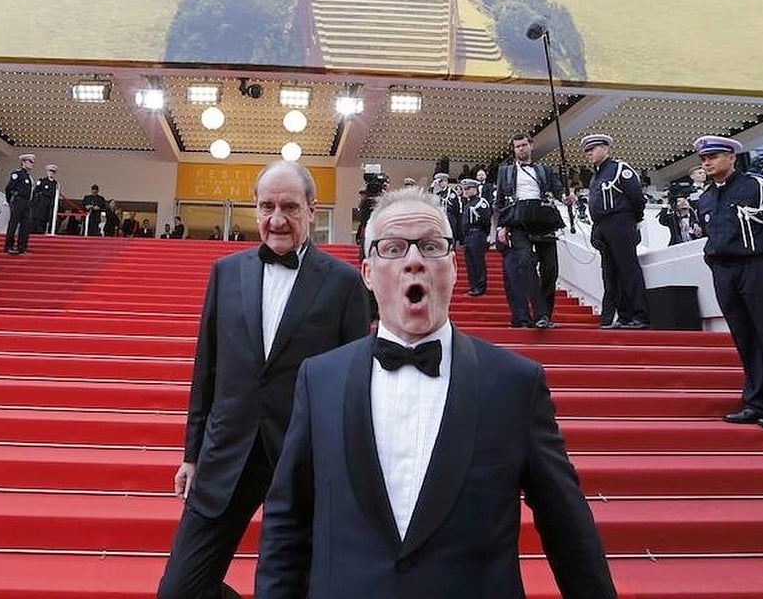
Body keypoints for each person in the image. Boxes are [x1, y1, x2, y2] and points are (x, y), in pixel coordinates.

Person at [255, 186, 617, 598]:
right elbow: (286, 523)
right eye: (392, 248)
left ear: (453, 267)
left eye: (430, 246)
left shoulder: (515, 383)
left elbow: (567, 527)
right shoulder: (318, 379)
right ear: (368, 273)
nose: (413, 262)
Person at [157, 160, 372, 599]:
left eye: (290, 207)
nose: (276, 220)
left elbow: (356, 386)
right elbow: (207, 368)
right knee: (179, 591)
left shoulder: (346, 284)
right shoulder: (226, 272)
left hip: (304, 457)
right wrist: (192, 454)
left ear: (313, 210)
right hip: (226, 452)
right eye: (266, 206)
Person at [695, 135, 763, 431]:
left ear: (732, 157)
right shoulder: (706, 197)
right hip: (723, 271)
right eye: (704, 158)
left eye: (714, 155)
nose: (707, 161)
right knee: (746, 338)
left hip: (757, 266)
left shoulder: (758, 185)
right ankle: (757, 402)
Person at [493, 133, 569, 328]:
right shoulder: (506, 172)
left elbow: (558, 189)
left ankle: (545, 314)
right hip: (518, 221)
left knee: (550, 269)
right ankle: (541, 314)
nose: (521, 149)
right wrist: (501, 226)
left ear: (531, 146)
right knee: (526, 263)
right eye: (517, 146)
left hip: (543, 219)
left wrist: (565, 198)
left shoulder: (545, 170)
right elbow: (499, 201)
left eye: (524, 145)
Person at [583, 134, 649, 329]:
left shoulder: (620, 169)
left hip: (620, 222)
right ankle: (624, 315)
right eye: (587, 151)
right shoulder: (596, 175)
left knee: (628, 269)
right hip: (602, 225)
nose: (589, 153)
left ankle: (640, 314)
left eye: (593, 149)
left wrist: (631, 221)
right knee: (610, 273)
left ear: (605, 148)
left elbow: (637, 198)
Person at [458, 177, 490, 296]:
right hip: (468, 236)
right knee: (470, 263)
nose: (466, 191)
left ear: (475, 189)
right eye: (465, 189)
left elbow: (486, 221)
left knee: (478, 261)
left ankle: (480, 287)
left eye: (468, 188)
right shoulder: (467, 204)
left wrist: (483, 235)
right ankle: (473, 286)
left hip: (477, 234)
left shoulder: (481, 203)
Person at [4, 153, 36, 254]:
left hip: (27, 202)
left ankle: (22, 246)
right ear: (23, 162)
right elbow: (9, 188)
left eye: (32, 162)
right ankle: (9, 245)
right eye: (30, 161)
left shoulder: (28, 176)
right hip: (18, 200)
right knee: (13, 223)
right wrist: (10, 201)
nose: (32, 164)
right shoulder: (17, 174)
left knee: (25, 225)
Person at [31, 164, 59, 234]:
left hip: (50, 202)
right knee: (40, 218)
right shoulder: (42, 181)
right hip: (42, 201)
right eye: (50, 171)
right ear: (47, 172)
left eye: (52, 172)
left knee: (48, 218)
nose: (51, 173)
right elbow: (36, 191)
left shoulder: (55, 183)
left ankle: (45, 232)